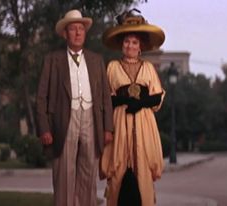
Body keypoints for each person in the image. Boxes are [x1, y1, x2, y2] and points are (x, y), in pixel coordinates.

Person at [36, 9, 114, 206]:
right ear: (65, 34)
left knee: (89, 172)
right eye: (73, 29)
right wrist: (44, 127)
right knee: (64, 173)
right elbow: (41, 97)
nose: (78, 33)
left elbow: (106, 96)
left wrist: (108, 127)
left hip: (91, 118)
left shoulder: (96, 60)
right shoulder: (53, 60)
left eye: (81, 29)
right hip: (64, 119)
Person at [100, 9, 166, 206]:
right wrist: (122, 101)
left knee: (143, 168)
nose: (130, 45)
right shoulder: (112, 67)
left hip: (144, 124)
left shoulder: (148, 68)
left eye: (134, 42)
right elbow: (105, 98)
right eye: (127, 41)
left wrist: (140, 103)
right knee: (118, 167)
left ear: (140, 47)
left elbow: (157, 97)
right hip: (119, 122)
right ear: (122, 45)